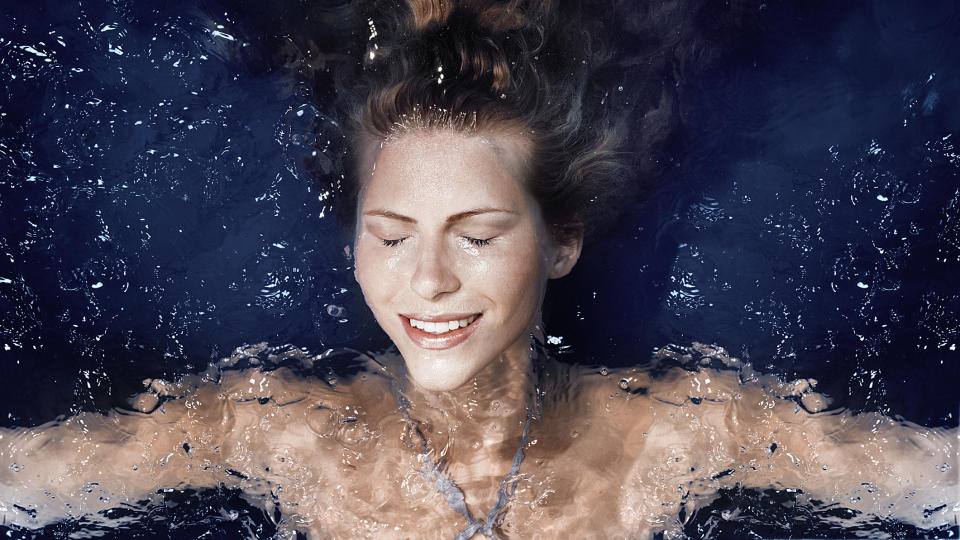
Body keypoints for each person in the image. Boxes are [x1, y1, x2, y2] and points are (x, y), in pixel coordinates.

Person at [1, 1, 956, 538]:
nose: (426, 282)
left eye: (479, 233)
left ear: (562, 240)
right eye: (390, 234)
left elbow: (926, 480)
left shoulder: (678, 434)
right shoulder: (279, 433)